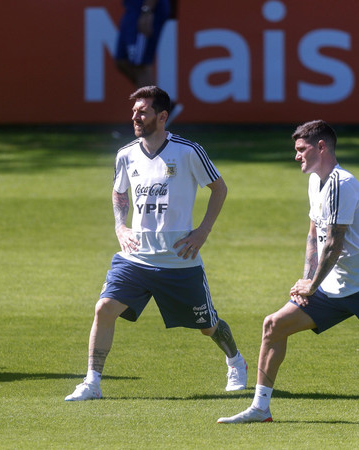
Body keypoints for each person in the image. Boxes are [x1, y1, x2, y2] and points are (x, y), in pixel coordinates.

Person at [218, 120, 359, 423]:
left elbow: (334, 244)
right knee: (273, 326)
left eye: (301, 149)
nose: (296, 155)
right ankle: (260, 408)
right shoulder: (315, 181)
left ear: (320, 146)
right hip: (330, 288)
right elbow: (314, 234)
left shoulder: (342, 183)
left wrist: (312, 284)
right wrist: (309, 280)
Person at [65, 86, 247, 401]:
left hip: (179, 259)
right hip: (135, 257)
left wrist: (202, 232)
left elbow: (219, 189)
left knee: (207, 325)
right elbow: (119, 191)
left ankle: (235, 361)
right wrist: (120, 226)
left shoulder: (189, 151)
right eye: (134, 111)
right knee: (104, 308)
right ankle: (92, 383)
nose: (136, 116)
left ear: (162, 117)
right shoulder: (126, 154)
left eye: (143, 111)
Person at [115, 1, 183, 125]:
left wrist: (147, 10)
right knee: (122, 61)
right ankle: (162, 106)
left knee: (140, 65)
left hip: (145, 8)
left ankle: (151, 119)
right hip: (132, 9)